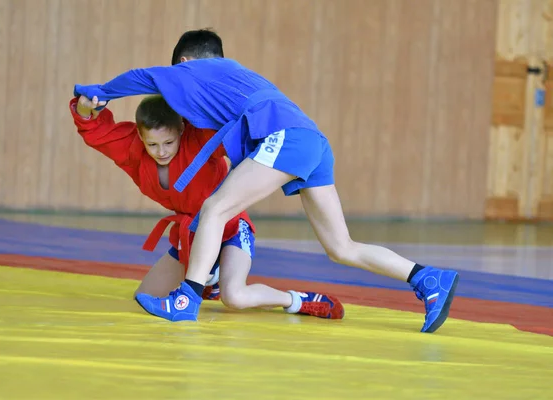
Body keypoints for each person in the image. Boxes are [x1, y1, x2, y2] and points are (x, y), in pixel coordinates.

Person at [73, 29, 459, 333]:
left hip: (286, 136)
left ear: (187, 63)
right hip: (311, 141)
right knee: (342, 247)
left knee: (215, 207)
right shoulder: (233, 82)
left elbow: (145, 77)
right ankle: (427, 278)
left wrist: (98, 93)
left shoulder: (197, 71)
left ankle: (185, 300)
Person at [70, 93, 344, 321]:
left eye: (168, 142)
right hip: (190, 235)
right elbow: (96, 131)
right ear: (139, 137)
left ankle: (299, 300)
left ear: (181, 129)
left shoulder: (199, 140)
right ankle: (208, 281)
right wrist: (84, 108)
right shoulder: (131, 149)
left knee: (234, 297)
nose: (161, 151)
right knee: (146, 296)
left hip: (232, 228)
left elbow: (233, 123)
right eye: (152, 144)